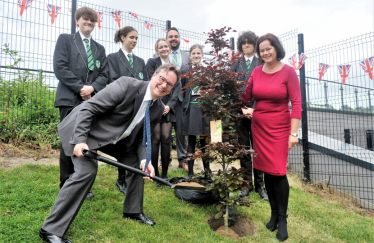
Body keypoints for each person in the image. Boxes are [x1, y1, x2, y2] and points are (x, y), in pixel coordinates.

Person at [39, 63, 180, 243]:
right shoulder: (126, 85)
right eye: (162, 79)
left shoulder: (158, 108)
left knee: (138, 164)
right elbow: (88, 108)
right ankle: (50, 230)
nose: (164, 86)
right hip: (84, 130)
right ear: (154, 75)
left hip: (114, 138)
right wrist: (80, 140)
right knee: (86, 171)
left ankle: (133, 210)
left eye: (170, 85)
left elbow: (142, 138)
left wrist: (145, 160)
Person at [241, 33, 301, 242]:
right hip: (259, 128)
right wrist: (243, 105)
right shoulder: (256, 71)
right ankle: (273, 214)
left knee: (278, 172)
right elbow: (246, 97)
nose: (265, 53)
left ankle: (283, 218)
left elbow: (296, 103)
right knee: (266, 170)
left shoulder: (288, 72)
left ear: (276, 48)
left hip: (280, 128)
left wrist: (294, 133)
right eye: (262, 50)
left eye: (268, 48)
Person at [53, 6, 109, 199]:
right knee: (68, 142)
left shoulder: (99, 49)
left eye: (92, 20)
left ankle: (83, 184)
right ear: (78, 21)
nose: (89, 22)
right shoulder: (66, 40)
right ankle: (66, 183)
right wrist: (80, 88)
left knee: (87, 141)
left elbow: (104, 74)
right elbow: (60, 67)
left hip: (91, 100)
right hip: (69, 98)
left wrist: (92, 88)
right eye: (86, 19)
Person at [107, 26, 146, 194]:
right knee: (121, 142)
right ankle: (120, 178)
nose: (134, 41)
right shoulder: (112, 58)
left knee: (131, 142)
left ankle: (131, 175)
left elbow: (144, 83)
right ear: (122, 37)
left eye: (136, 38)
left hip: (136, 107)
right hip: (121, 106)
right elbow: (114, 80)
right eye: (131, 37)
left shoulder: (140, 62)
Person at [231, 31, 268, 200]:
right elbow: (231, 89)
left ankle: (261, 186)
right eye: (243, 43)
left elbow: (266, 88)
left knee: (258, 150)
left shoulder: (262, 63)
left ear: (254, 44)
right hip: (240, 113)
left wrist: (253, 109)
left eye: (249, 42)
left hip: (258, 112)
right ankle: (247, 185)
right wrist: (243, 108)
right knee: (244, 149)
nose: (246, 45)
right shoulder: (235, 64)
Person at [145, 39, 181, 181]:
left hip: (168, 108)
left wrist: (169, 105)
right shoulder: (152, 63)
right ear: (157, 49)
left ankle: (165, 174)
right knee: (155, 139)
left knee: (166, 139)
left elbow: (178, 88)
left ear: (169, 48)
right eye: (161, 47)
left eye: (166, 46)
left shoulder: (174, 66)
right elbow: (150, 83)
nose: (164, 49)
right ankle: (155, 174)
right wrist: (160, 105)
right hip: (155, 105)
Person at [182, 44, 210, 176]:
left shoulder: (208, 71)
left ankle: (207, 171)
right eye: (194, 53)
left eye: (198, 53)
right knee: (191, 140)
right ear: (190, 55)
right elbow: (181, 89)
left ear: (202, 55)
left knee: (204, 140)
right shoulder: (186, 71)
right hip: (191, 108)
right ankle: (191, 173)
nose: (196, 55)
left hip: (204, 108)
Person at [166, 27, 191, 172]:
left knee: (182, 132)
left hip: (182, 100)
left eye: (176, 36)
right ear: (167, 39)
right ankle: (166, 159)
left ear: (179, 39)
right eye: (170, 37)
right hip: (167, 100)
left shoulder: (187, 56)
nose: (173, 39)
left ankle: (183, 159)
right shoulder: (163, 54)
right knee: (166, 132)